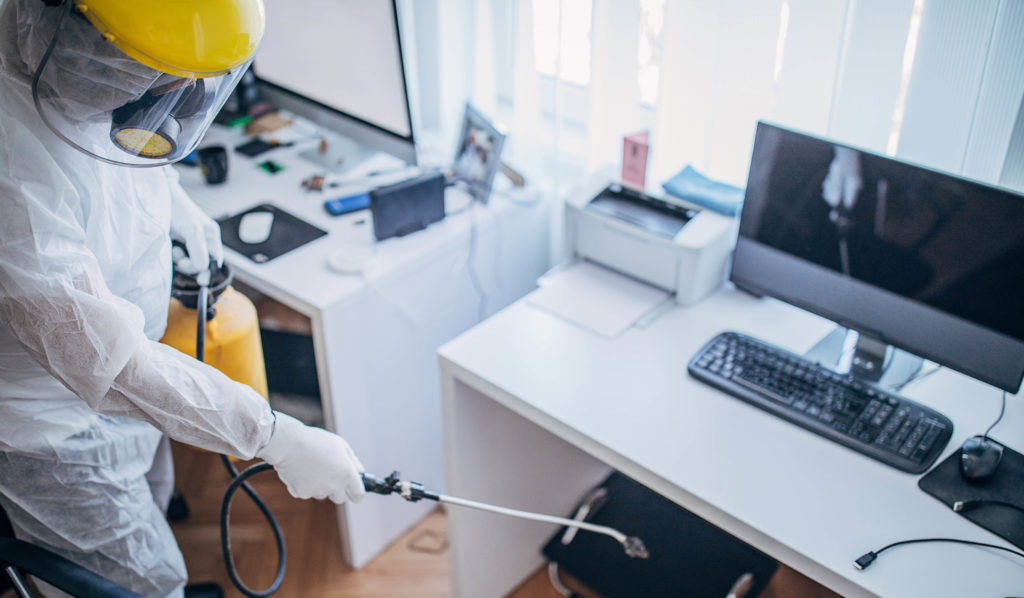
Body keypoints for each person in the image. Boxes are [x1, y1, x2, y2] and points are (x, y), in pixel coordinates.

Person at [0, 1, 365, 596]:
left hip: (131, 386)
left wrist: (177, 208)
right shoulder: (10, 164)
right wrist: (273, 437)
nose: (165, 97)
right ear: (71, 30)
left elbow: (115, 139)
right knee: (142, 585)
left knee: (154, 488)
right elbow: (109, 363)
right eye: (149, 76)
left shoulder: (75, 66)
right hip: (55, 431)